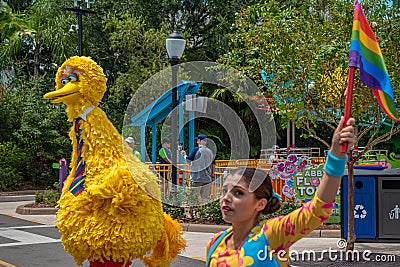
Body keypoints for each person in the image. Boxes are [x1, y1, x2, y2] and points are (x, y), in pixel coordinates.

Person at [206, 116, 356, 266]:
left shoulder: (272, 234)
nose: (226, 198)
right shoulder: (215, 243)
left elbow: (317, 210)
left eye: (238, 193)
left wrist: (336, 155)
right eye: (224, 191)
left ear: (260, 204)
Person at [182, 134, 216, 201]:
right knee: (205, 198)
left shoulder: (195, 150)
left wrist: (184, 155)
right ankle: (205, 211)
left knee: (193, 198)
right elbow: (213, 165)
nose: (197, 141)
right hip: (207, 178)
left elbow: (188, 160)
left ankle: (192, 211)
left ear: (199, 141)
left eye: (197, 140)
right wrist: (212, 176)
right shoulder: (210, 152)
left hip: (196, 178)